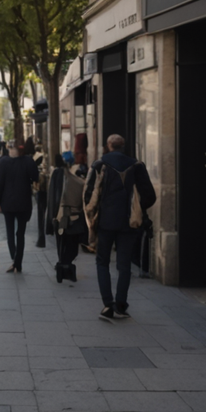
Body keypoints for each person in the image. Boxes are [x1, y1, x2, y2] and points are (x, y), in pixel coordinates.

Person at [83, 134, 156, 321]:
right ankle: (121, 305)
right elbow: (150, 195)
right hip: (129, 223)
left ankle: (108, 304)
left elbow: (88, 194)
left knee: (102, 262)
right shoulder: (137, 166)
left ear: (108, 146)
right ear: (123, 146)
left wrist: (92, 217)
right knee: (124, 265)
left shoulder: (99, 165)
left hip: (105, 222)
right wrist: (138, 208)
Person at [0, 139, 40, 273]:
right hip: (23, 202)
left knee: (10, 231)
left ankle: (14, 258)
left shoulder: (3, 162)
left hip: (7, 202)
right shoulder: (28, 161)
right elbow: (35, 177)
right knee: (20, 233)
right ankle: (18, 262)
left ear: (10, 149)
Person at [48, 148, 88, 284]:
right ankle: (65, 266)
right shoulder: (70, 175)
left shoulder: (61, 174)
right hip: (70, 216)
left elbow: (53, 197)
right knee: (71, 245)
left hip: (62, 216)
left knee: (64, 244)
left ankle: (63, 266)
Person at [29, 136, 49, 249]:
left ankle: (41, 237)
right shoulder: (41, 157)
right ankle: (42, 237)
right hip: (42, 187)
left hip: (40, 187)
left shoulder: (36, 157)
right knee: (42, 212)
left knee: (41, 213)